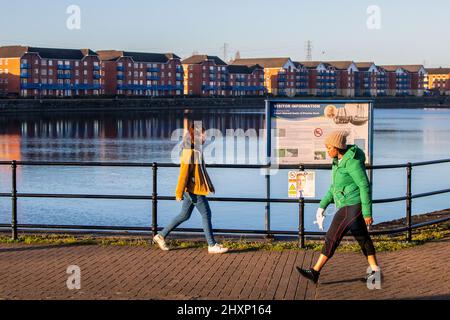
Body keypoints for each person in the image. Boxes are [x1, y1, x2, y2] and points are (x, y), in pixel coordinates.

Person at [296, 130, 381, 284]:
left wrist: (367, 212)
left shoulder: (352, 162)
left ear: (337, 147)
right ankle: (376, 273)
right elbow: (333, 187)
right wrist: (322, 206)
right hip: (347, 204)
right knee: (363, 238)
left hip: (352, 205)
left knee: (332, 237)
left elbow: (364, 186)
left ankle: (315, 272)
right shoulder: (337, 162)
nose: (327, 150)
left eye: (329, 147)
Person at [153, 123, 229, 254]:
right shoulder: (189, 151)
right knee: (206, 214)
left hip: (193, 188)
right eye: (204, 134)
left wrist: (209, 184)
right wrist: (178, 192)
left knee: (184, 215)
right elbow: (184, 174)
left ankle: (160, 236)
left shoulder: (195, 149)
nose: (206, 137)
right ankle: (211, 245)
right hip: (194, 190)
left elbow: (200, 172)